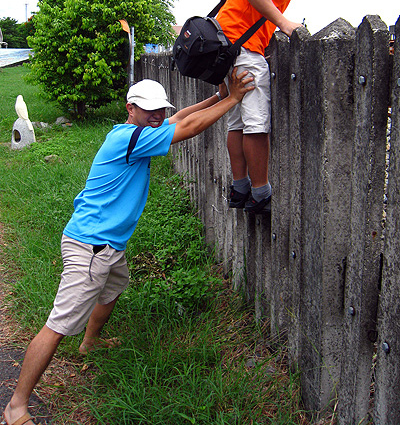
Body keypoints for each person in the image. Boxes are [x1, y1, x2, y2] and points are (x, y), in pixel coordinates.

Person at [2, 69, 254, 425]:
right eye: (147, 110)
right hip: (91, 246)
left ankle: (90, 342)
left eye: (160, 110)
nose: (157, 116)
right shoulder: (132, 138)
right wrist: (233, 100)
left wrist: (216, 97)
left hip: (107, 245)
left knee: (115, 285)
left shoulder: (135, 132)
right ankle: (16, 405)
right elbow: (189, 128)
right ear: (129, 109)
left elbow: (181, 117)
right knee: (57, 326)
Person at [217, 0, 334, 215]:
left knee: (238, 122)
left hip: (230, 45)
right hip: (242, 46)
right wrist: (284, 24)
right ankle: (260, 193)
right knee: (256, 124)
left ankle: (240, 188)